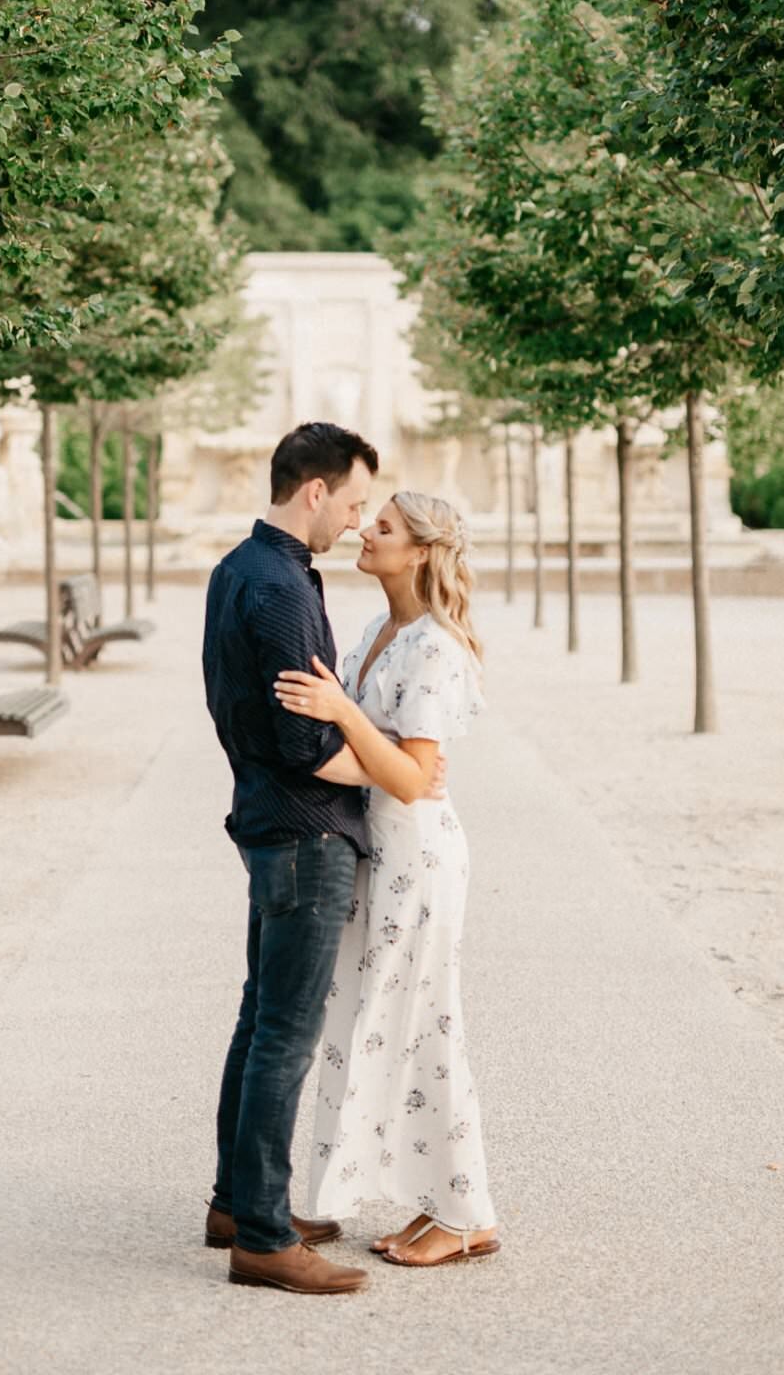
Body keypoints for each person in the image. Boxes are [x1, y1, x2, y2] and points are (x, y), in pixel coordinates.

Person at [201, 420, 440, 1296]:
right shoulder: (282, 590)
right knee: (283, 1041)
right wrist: (400, 767)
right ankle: (261, 1237)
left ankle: (238, 1201)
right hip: (305, 831)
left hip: (270, 823)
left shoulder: (243, 568)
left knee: (258, 1021)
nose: (353, 520)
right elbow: (307, 745)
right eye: (351, 502)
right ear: (315, 492)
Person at [274, 490, 500, 1267]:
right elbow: (382, 760)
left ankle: (466, 1213)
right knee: (377, 1025)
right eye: (371, 521)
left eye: (386, 528)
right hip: (380, 853)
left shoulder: (433, 647)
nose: (366, 532)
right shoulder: (379, 630)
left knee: (428, 1025)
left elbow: (411, 778)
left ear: (422, 553)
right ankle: (418, 1201)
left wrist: (342, 708)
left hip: (421, 860)